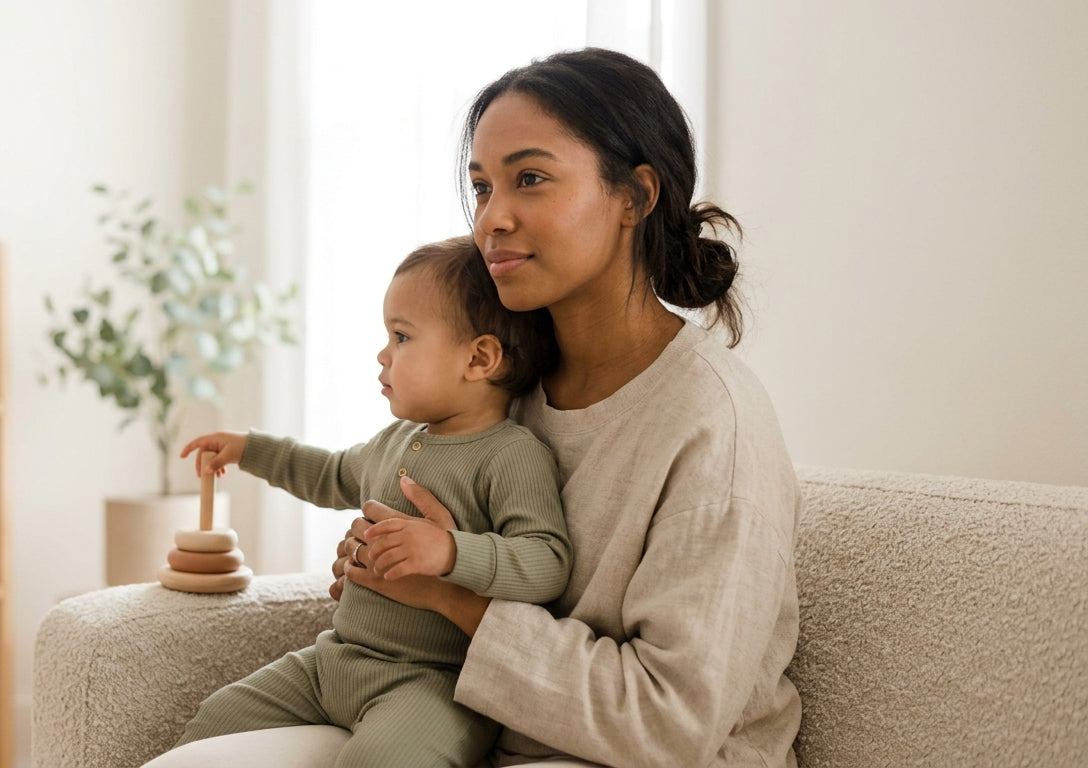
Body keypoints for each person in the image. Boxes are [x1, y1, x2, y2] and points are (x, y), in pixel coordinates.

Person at [149, 46, 800, 768]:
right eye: (483, 186)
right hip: (460, 719)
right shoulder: (497, 384)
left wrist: (449, 593)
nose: (492, 218)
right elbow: (374, 487)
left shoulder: (713, 427)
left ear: (634, 196)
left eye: (530, 179)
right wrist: (384, 564)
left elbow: (670, 725)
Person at [167, 235, 572, 768]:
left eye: (401, 336)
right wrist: (251, 449)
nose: (383, 354)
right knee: (210, 726)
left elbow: (548, 561)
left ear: (479, 358)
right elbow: (331, 472)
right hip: (333, 660)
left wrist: (451, 552)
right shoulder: (395, 440)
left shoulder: (512, 455)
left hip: (432, 683)